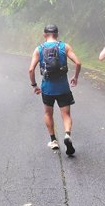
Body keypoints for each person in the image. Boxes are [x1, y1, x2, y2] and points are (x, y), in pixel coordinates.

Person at [28, 24, 81, 156]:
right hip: (63, 87)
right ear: (57, 35)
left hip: (47, 88)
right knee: (66, 114)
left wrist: (34, 85)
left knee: (48, 113)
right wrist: (75, 77)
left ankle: (53, 140)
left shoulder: (39, 49)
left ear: (44, 35)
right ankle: (67, 134)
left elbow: (30, 69)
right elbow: (78, 63)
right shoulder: (64, 46)